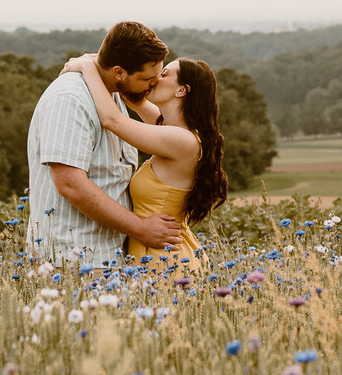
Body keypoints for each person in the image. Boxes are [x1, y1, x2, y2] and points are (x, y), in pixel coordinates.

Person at [26, 21, 182, 267]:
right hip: (72, 258)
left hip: (109, 256)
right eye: (148, 79)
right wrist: (140, 228)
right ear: (119, 72)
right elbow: (70, 183)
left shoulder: (113, 95)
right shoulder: (70, 99)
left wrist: (89, 65)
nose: (153, 85)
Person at [61, 51, 228, 266]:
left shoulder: (183, 141)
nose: (156, 78)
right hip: (158, 251)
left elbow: (113, 120)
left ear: (182, 90)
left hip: (166, 258)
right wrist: (104, 64)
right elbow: (133, 98)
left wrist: (87, 68)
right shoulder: (171, 129)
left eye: (165, 74)